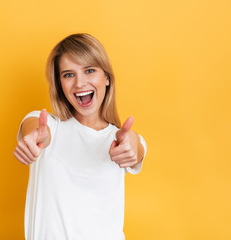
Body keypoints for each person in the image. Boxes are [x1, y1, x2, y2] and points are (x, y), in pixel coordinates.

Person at [13, 33, 147, 240]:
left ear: (107, 78)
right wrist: (34, 137)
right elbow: (35, 131)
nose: (79, 83)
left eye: (89, 70)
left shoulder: (121, 140)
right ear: (60, 85)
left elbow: (136, 148)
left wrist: (132, 145)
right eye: (68, 75)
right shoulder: (47, 124)